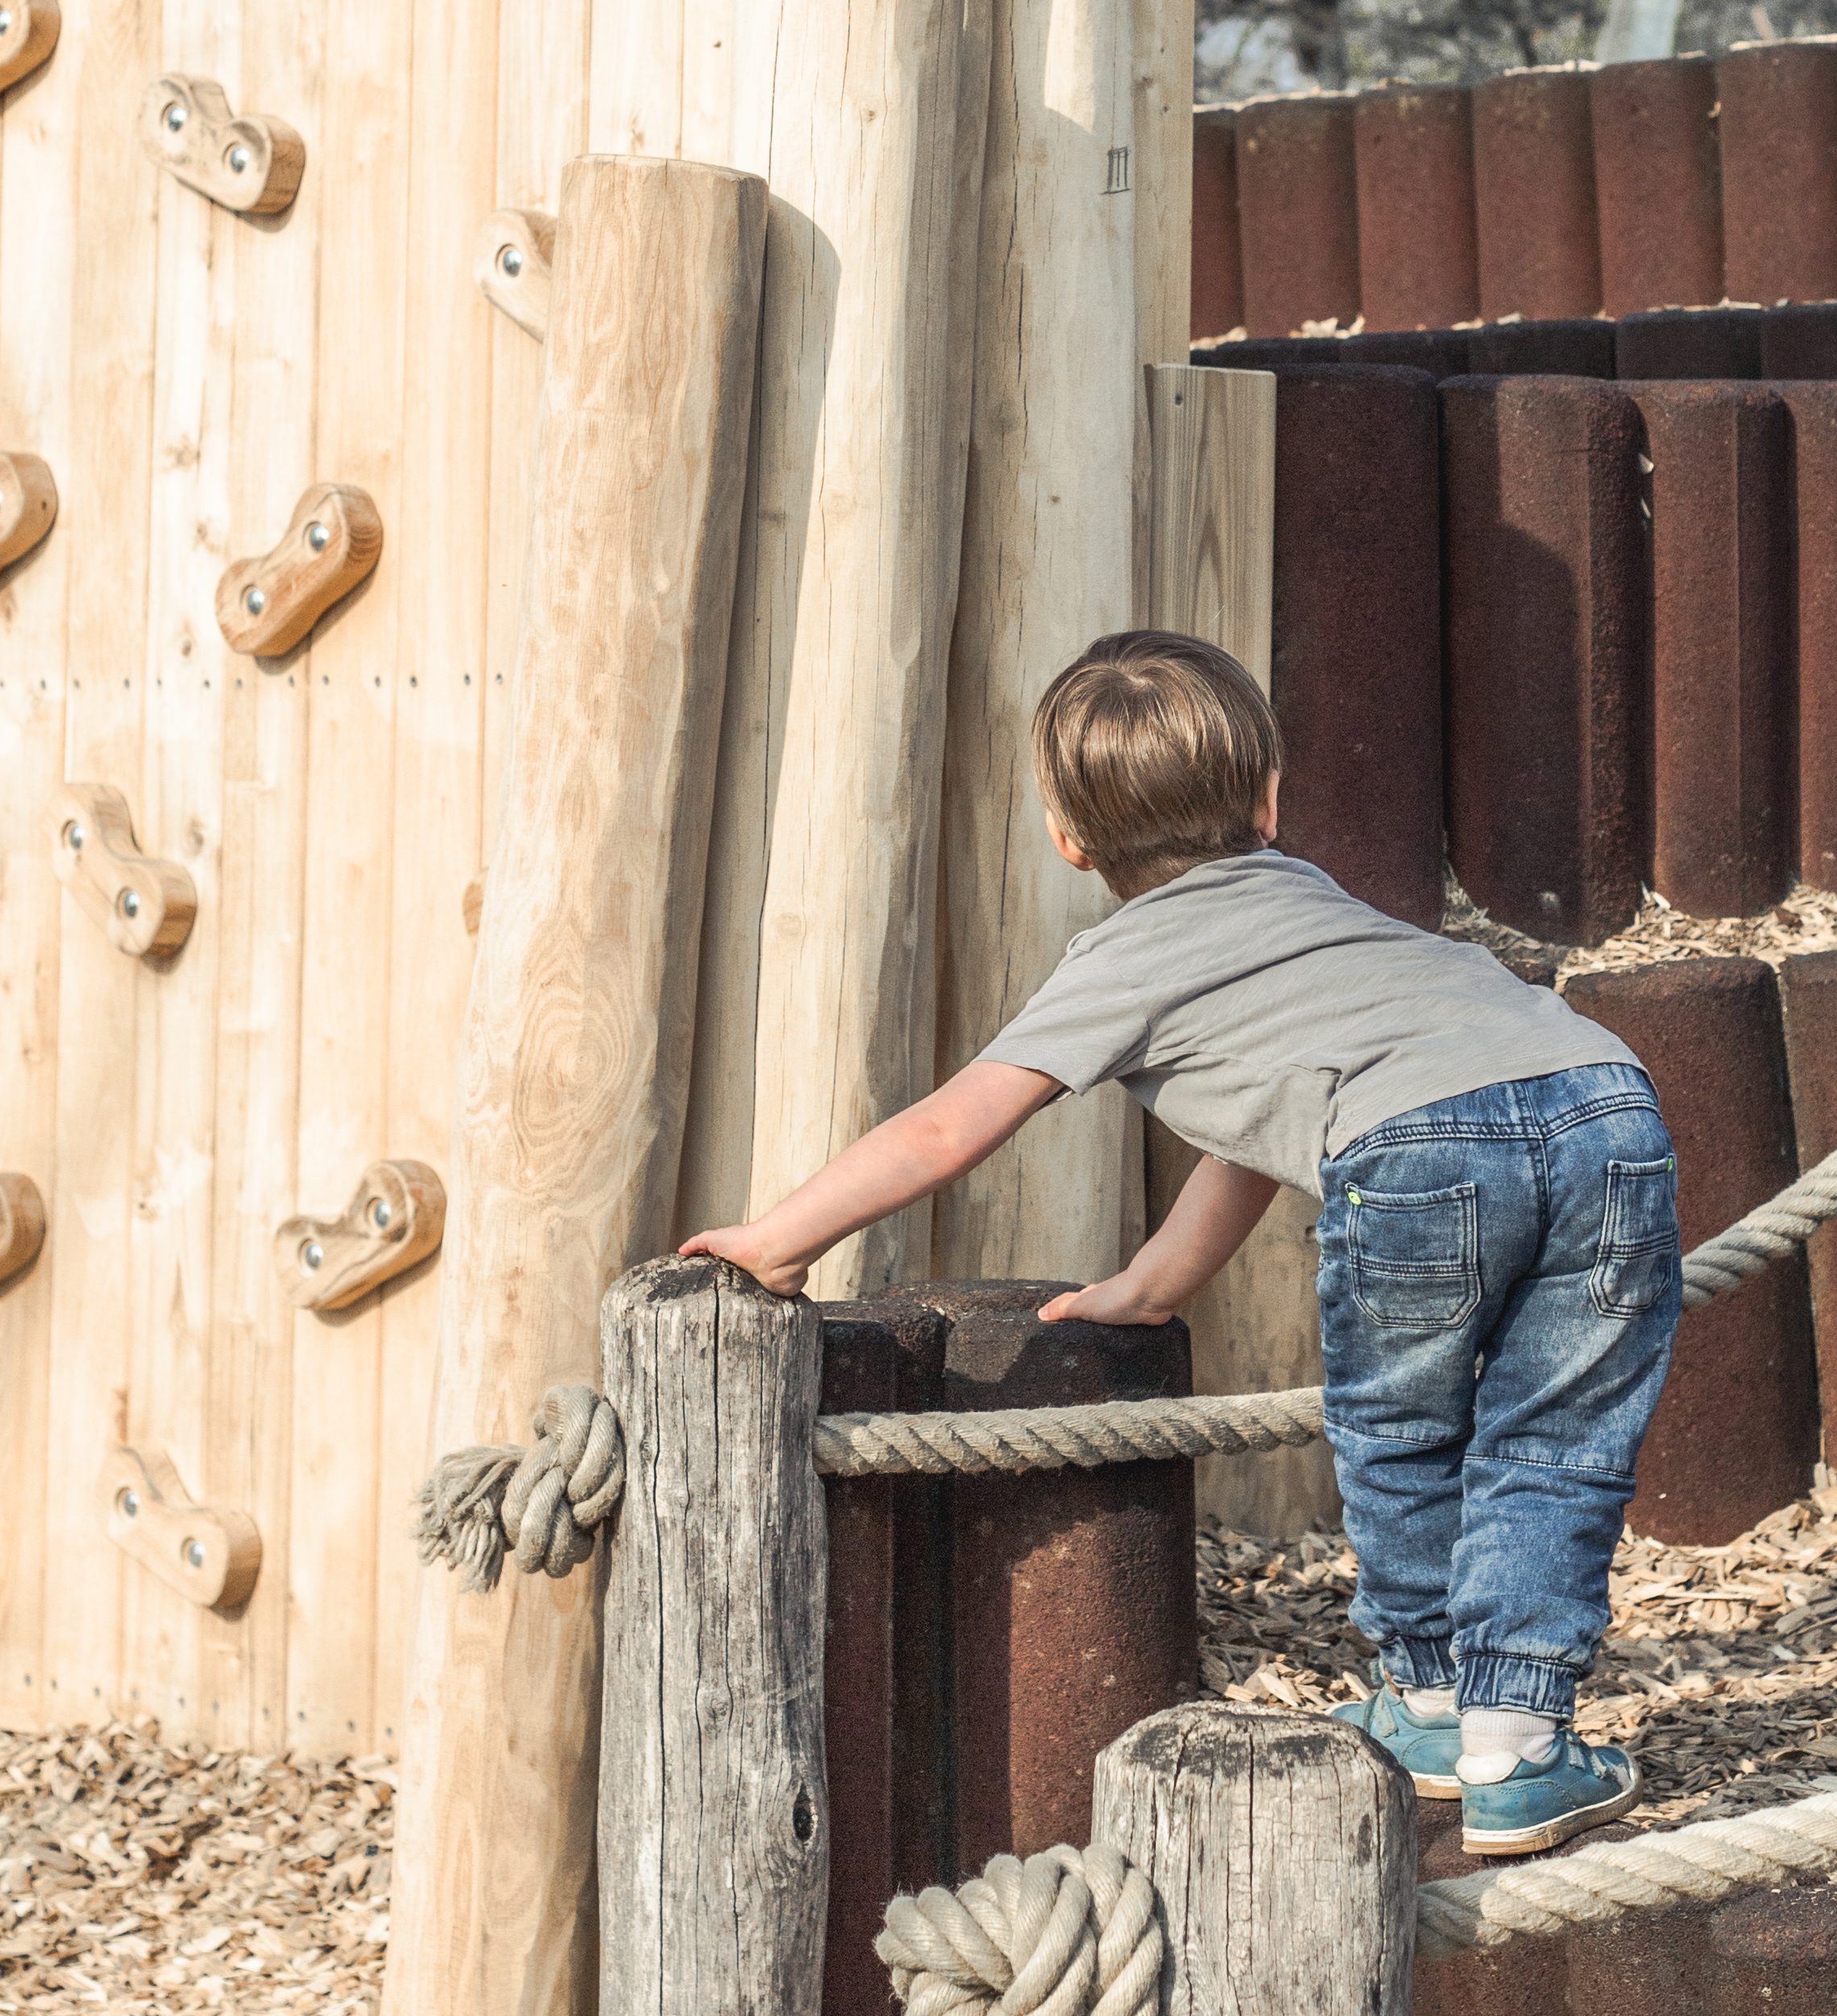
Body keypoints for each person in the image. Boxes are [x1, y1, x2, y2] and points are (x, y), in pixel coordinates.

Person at [686, 626, 1682, 1857]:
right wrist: (1160, 1279)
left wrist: (779, 1239)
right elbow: (1275, 1115)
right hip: (1606, 1103)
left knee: (1402, 1428)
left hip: (1423, 1155)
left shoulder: (1123, 960)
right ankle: (1513, 1737)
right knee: (1555, 1444)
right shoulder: (1318, 905)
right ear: (1269, 796)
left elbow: (955, 1126)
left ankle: (1437, 1695)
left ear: (1067, 837)